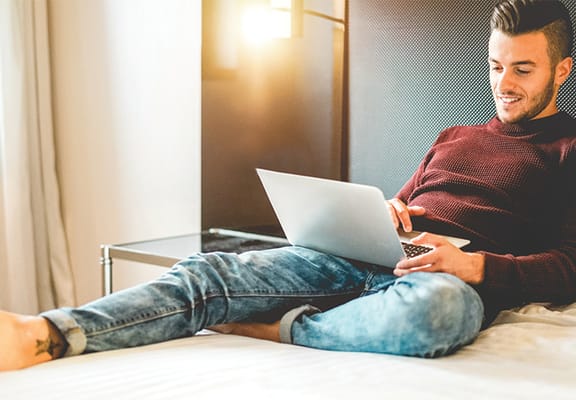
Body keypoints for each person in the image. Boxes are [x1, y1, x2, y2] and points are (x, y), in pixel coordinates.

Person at [2, 0, 576, 371]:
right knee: (214, 268)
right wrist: (390, 209)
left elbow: (570, 265)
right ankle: (50, 332)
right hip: (372, 253)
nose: (503, 83)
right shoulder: (453, 133)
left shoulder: (567, 151)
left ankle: (281, 328)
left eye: (522, 69)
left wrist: (477, 267)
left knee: (438, 316)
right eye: (496, 66)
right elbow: (406, 201)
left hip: (445, 281)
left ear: (562, 70)